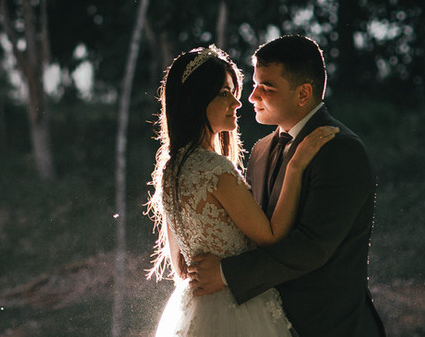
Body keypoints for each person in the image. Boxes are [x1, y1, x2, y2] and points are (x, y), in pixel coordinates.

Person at [187, 35, 386, 337]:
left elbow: (312, 246)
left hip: (328, 326)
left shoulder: (340, 150)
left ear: (304, 93)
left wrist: (226, 274)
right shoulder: (260, 150)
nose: (252, 97)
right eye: (254, 84)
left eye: (266, 88)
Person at [146, 44, 338, 337]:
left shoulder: (170, 170)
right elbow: (271, 236)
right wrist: (296, 167)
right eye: (224, 93)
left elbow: (181, 266)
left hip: (195, 309)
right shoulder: (215, 170)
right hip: (239, 309)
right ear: (196, 101)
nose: (237, 103)